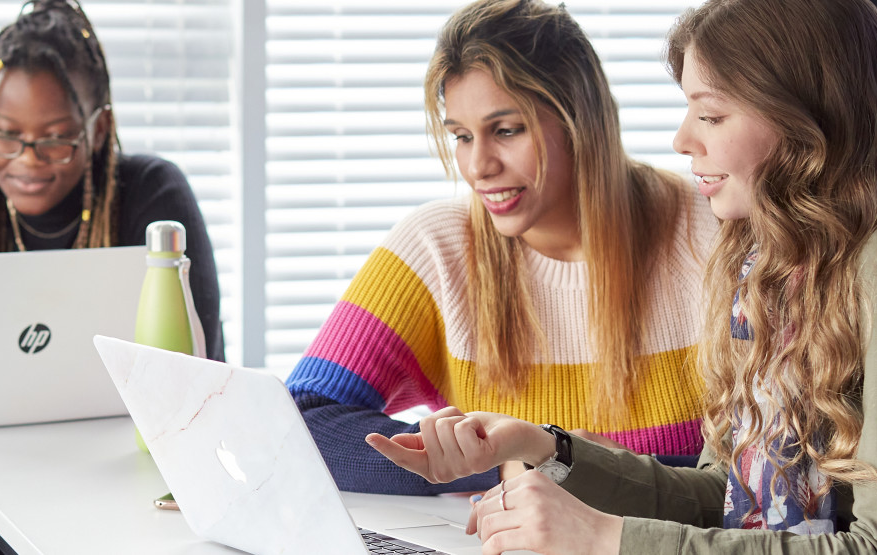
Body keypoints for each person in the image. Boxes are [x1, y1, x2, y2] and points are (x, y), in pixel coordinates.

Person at [367, 0, 877, 552]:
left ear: (803, 121)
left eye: (708, 114)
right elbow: (725, 494)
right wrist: (544, 449)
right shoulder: (772, 266)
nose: (683, 140)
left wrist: (605, 539)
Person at [285, 0, 719, 496]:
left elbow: (769, 471)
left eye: (506, 130)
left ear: (581, 119)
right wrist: (507, 464)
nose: (478, 166)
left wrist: (578, 466)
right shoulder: (435, 248)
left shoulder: (711, 228)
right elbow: (297, 422)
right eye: (462, 137)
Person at [0, 0, 223, 360]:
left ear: (99, 130)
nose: (28, 158)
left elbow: (197, 367)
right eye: (5, 136)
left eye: (55, 139)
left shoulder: (152, 192)